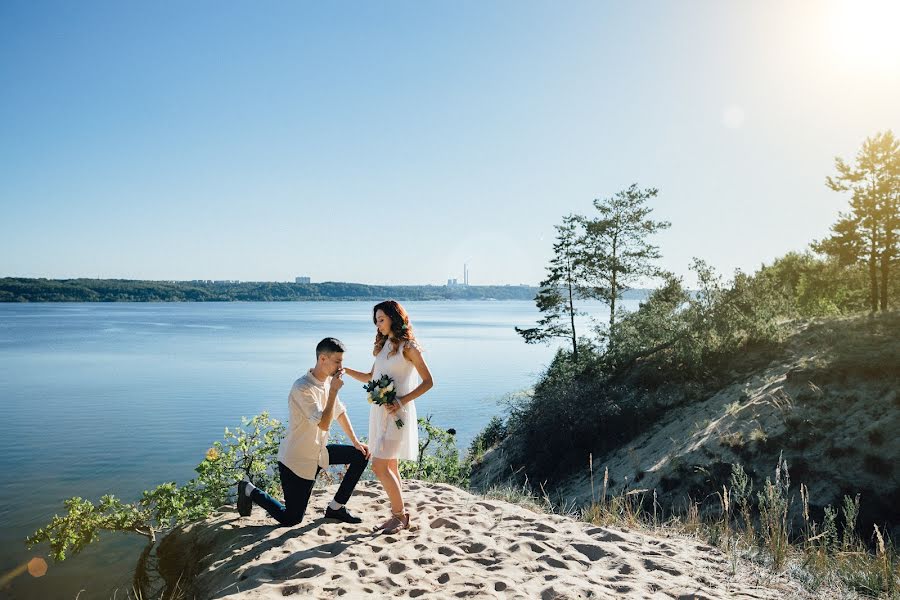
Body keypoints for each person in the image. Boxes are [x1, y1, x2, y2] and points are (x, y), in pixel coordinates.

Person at [236, 337, 371, 526]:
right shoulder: (302, 387)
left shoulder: (326, 382)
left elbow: (339, 413)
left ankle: (336, 508)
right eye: (338, 361)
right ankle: (250, 490)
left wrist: (356, 442)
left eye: (342, 361)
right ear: (322, 359)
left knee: (361, 454)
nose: (342, 367)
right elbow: (323, 424)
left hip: (319, 452)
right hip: (297, 459)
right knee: (291, 519)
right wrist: (333, 392)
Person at [344, 300, 434, 534]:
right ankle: (397, 514)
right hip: (379, 413)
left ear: (394, 317)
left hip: (397, 414)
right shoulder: (384, 346)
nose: (378, 324)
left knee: (379, 465)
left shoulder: (409, 347)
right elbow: (369, 377)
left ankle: (400, 516)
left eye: (381, 319)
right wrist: (344, 370)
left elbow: (428, 382)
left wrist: (401, 400)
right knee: (390, 465)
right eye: (376, 320)